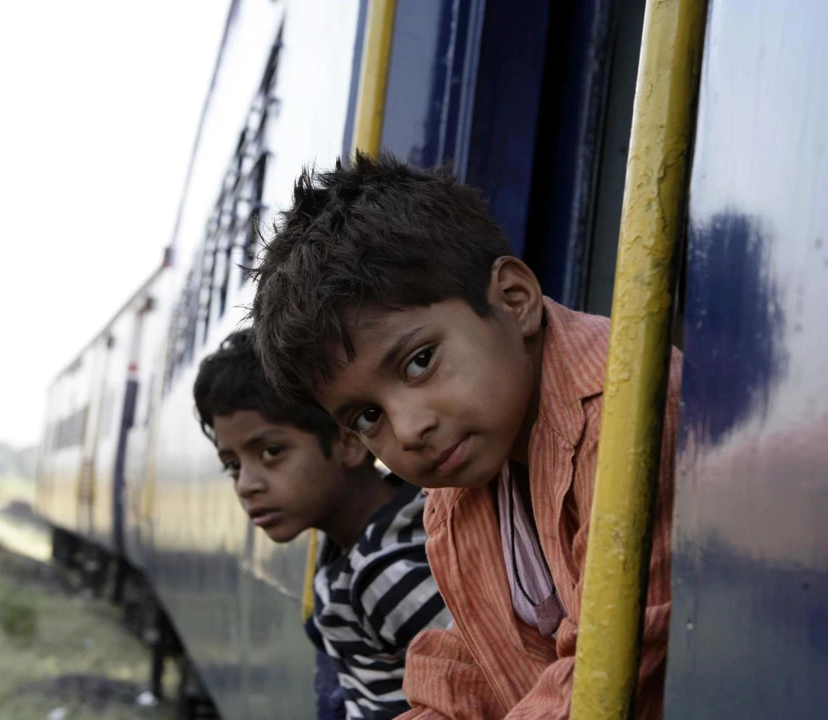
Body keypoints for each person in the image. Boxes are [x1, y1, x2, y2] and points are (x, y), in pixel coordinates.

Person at [250, 153, 681, 719]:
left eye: (419, 362)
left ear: (514, 299)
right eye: (366, 417)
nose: (409, 429)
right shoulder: (455, 499)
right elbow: (465, 671)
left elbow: (606, 677)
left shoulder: (624, 421)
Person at [192, 329, 451, 720]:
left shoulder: (388, 575)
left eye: (271, 452)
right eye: (233, 465)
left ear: (348, 442)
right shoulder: (363, 544)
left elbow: (487, 689)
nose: (246, 485)